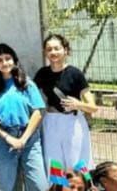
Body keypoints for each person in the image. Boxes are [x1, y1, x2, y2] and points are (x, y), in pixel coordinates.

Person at [0, 43, 47, 191]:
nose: (5, 63)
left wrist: (23, 139)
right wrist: (7, 137)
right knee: (4, 188)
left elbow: (38, 112)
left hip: (29, 138)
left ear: (14, 60)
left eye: (8, 58)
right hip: (4, 139)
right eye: (0, 60)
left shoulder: (27, 84)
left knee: (39, 185)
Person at [35, 33, 96, 170]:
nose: (53, 52)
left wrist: (78, 104)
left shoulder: (75, 74)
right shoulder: (42, 74)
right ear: (45, 52)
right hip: (51, 122)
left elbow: (93, 107)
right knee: (54, 165)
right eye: (49, 49)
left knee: (78, 164)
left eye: (57, 48)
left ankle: (80, 189)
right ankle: (56, 190)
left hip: (73, 122)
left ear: (66, 50)